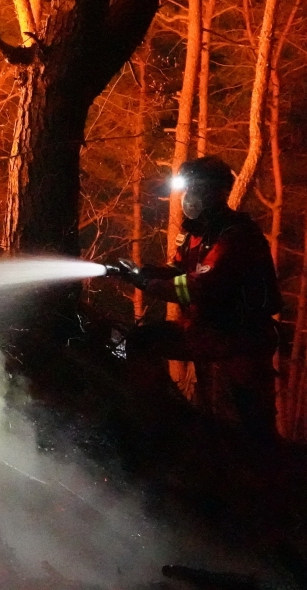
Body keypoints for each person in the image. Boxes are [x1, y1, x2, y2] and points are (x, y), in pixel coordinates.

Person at [109, 155, 284, 444]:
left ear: (217, 192)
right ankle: (157, 425)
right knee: (141, 342)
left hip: (242, 337)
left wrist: (146, 283)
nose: (189, 198)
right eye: (187, 190)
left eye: (196, 190)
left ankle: (275, 476)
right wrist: (139, 272)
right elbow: (177, 271)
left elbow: (197, 287)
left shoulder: (235, 236)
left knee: (255, 426)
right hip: (207, 330)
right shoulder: (196, 235)